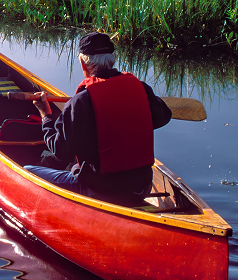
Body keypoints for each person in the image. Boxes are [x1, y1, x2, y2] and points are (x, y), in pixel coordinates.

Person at [23, 31, 171, 205]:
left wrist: (46, 115)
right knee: (77, 163)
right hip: (141, 187)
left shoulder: (81, 102)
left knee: (26, 171)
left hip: (103, 190)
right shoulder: (142, 89)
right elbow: (163, 117)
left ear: (83, 63)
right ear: (113, 58)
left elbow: (60, 151)